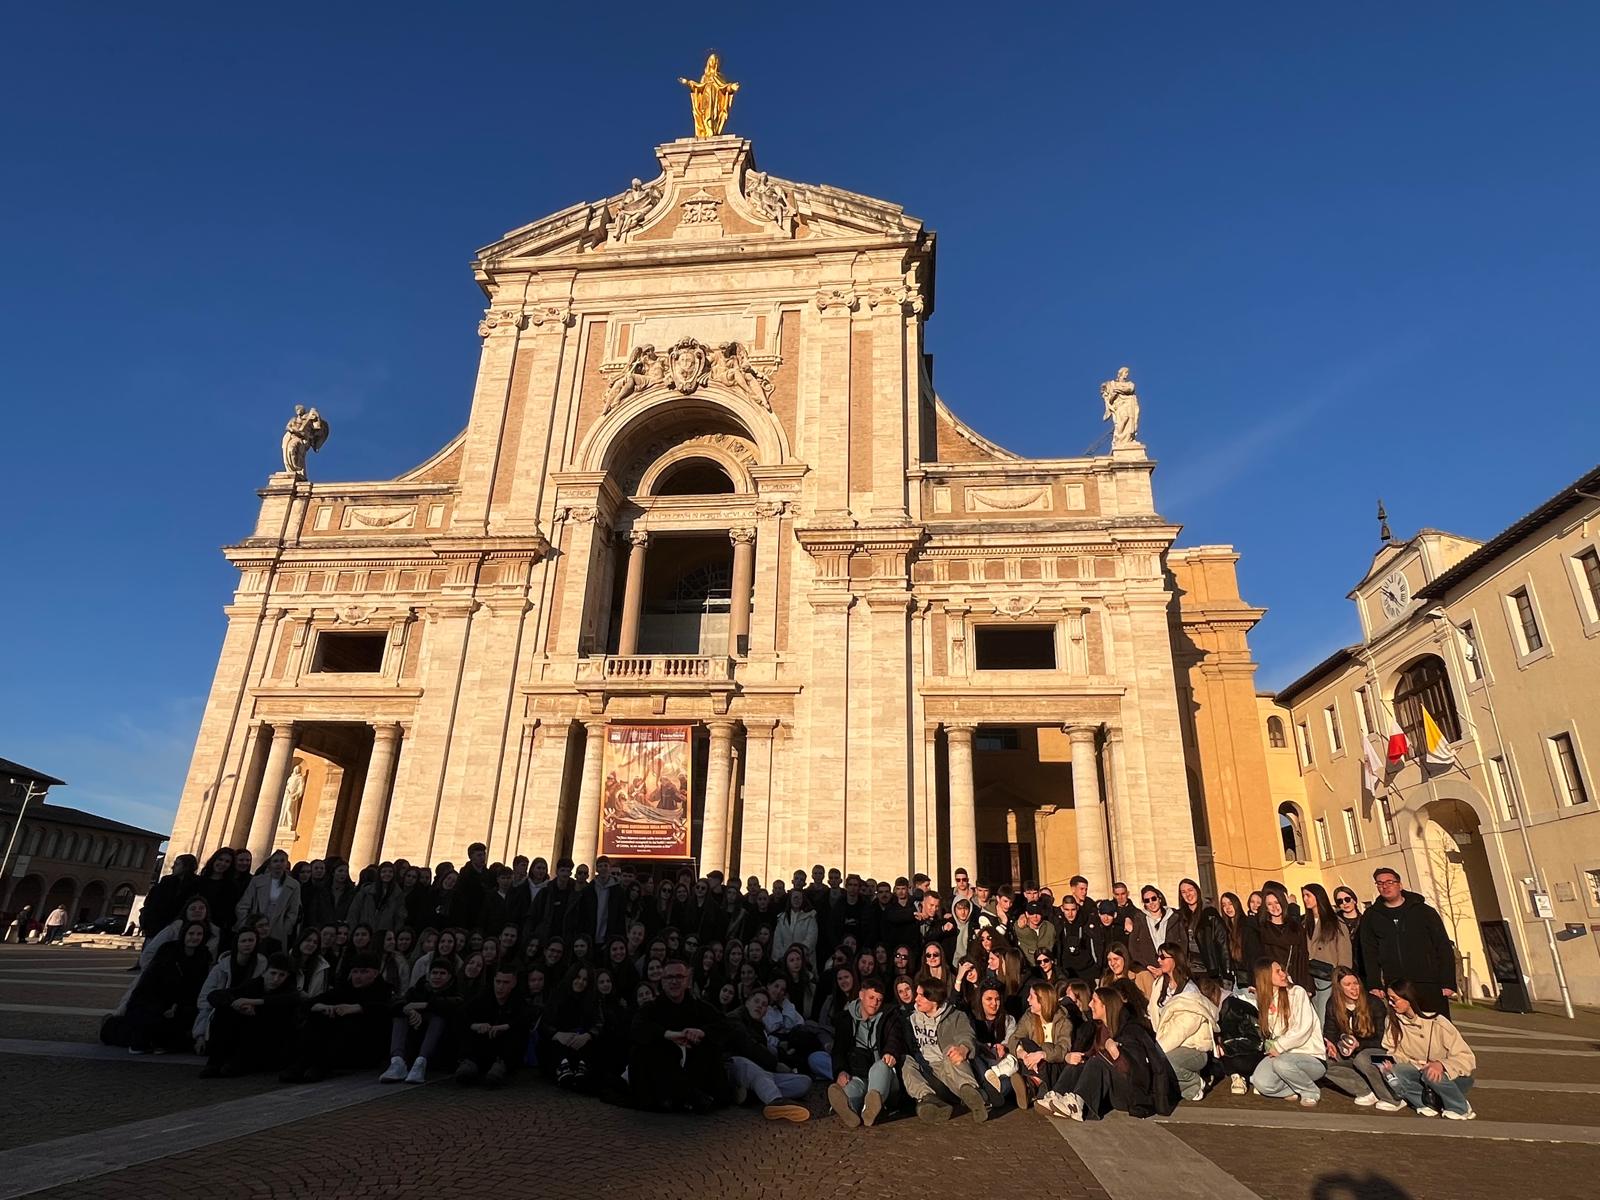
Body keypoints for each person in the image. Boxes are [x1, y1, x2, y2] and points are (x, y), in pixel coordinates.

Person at [1043, 985, 1178, 1121]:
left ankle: (1076, 1104)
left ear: (1106, 1006)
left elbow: (1136, 1070)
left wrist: (1114, 1052)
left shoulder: (1132, 1030)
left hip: (1133, 1093)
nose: (1090, 1005)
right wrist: (1074, 1057)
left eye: (1094, 1001)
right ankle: (1057, 1096)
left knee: (1096, 1061)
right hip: (1111, 1088)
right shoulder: (1101, 1029)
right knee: (1078, 1064)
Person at [629, 959, 729, 1112]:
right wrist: (668, 1035)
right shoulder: (652, 1007)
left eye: (679, 977)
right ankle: (685, 1096)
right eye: (669, 977)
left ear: (687, 981)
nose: (674, 981)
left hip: (692, 1065)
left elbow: (725, 1024)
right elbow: (637, 1027)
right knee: (643, 1050)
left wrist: (701, 1032)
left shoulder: (699, 1007)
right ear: (662, 982)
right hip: (661, 1071)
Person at [1359, 868, 1457, 1015]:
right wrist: (1374, 984)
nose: (1385, 886)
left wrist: (1448, 982)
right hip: (1396, 986)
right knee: (1404, 1026)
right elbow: (1369, 953)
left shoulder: (1424, 912)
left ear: (1400, 885)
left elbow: (1443, 946)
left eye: (1390, 882)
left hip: (1428, 982)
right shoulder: (1371, 916)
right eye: (1380, 883)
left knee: (1436, 1025)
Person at [287, 951, 395, 1081]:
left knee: (346, 1022)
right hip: (339, 1044)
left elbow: (387, 1010)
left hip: (365, 1046)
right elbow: (313, 1002)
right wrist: (319, 1006)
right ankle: (304, 1062)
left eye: (364, 972)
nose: (358, 976)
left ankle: (320, 1065)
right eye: (355, 972)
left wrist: (358, 1008)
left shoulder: (384, 990)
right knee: (318, 1017)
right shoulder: (346, 988)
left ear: (375, 973)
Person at [1382, 979, 1477, 1118]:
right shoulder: (1392, 1021)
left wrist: (1441, 1064)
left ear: (1408, 998)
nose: (1390, 1003)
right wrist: (1392, 1063)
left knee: (1430, 1072)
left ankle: (1460, 1107)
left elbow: (1466, 1057)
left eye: (1394, 999)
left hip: (1449, 1076)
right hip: (1417, 1071)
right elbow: (1394, 1050)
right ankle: (1424, 1103)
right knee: (1391, 1073)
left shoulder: (1438, 1022)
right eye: (1389, 999)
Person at [198, 952, 302, 1078]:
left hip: (272, 1043)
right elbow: (215, 995)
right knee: (224, 1011)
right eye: (273, 973)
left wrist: (252, 1002)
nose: (276, 979)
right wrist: (236, 1004)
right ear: (264, 972)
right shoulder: (254, 985)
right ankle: (215, 1062)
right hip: (248, 1036)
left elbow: (288, 1000)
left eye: (281, 975)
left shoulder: (289, 990)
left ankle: (240, 1063)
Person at [901, 976, 988, 1123]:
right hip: (926, 1074)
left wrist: (964, 1048)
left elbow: (966, 1034)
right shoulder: (909, 1018)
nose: (916, 999)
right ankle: (929, 1100)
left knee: (951, 1050)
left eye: (921, 996)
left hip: (949, 1072)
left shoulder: (956, 1016)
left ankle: (971, 1093)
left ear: (934, 1000)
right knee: (906, 1061)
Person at [826, 976, 905, 1128]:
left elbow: (895, 1039)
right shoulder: (846, 1019)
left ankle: (870, 1107)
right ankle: (851, 1109)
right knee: (852, 1089)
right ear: (861, 995)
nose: (875, 1003)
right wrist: (840, 1071)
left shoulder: (888, 1017)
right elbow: (839, 1050)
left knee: (881, 1067)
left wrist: (890, 1052)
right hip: (858, 1073)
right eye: (871, 997)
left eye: (879, 1000)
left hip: (884, 1076)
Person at [1322, 967, 1404, 1110]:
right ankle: (1365, 1091)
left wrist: (1359, 1045)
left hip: (1377, 1052)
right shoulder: (1333, 1004)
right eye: (1348, 985)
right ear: (1339, 988)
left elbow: (1383, 1040)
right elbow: (1330, 1031)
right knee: (1323, 1062)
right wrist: (1331, 1044)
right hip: (1350, 1052)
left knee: (1362, 1059)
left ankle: (1392, 1098)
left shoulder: (1374, 1003)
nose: (1353, 988)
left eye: (1355, 983)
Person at [125, 920, 213, 1054]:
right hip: (152, 1001)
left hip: (181, 1004)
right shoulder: (168, 950)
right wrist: (166, 1006)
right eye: (191, 933)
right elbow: (152, 983)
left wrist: (177, 1005)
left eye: (199, 934)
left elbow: (197, 986)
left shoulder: (204, 955)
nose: (195, 937)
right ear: (184, 934)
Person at [725, 991, 812, 1121]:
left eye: (764, 1004)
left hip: (761, 1071)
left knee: (803, 1082)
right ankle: (776, 1101)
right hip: (736, 1064)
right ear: (747, 1002)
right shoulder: (735, 1018)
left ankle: (750, 1095)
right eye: (756, 1001)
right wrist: (775, 1064)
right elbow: (748, 1046)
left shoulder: (759, 1026)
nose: (759, 1006)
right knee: (757, 1073)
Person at [1249, 959, 1326, 1106]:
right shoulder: (1266, 1000)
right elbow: (1274, 1032)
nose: (1283, 974)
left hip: (1309, 1056)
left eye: (1282, 970)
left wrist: (1279, 1046)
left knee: (1282, 1064)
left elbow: (1303, 1028)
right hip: (1283, 1055)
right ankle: (1292, 1088)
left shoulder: (1297, 993)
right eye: (1278, 972)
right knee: (1261, 1082)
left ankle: (1310, 1091)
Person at [383, 959, 463, 1084]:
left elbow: (452, 1004)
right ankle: (397, 1061)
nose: (437, 977)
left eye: (442, 973)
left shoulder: (455, 991)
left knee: (438, 1017)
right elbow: (397, 1003)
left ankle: (421, 1063)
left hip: (440, 1045)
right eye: (434, 973)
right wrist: (409, 1010)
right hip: (415, 1037)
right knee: (400, 1016)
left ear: (449, 977)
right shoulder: (417, 990)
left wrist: (423, 1005)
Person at [1152, 949, 1218, 1102]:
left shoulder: (1190, 991)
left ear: (1175, 959)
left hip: (1193, 1047)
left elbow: (1183, 1028)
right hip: (1166, 1042)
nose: (1159, 960)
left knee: (1166, 1061)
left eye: (1163, 957)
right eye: (1157, 956)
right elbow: (1154, 1013)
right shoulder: (1159, 985)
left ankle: (1195, 1084)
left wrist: (1157, 1050)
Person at [1006, 977, 1077, 1109]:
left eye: (1031, 997)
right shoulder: (1029, 1016)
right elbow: (1014, 1038)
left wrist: (1042, 1054)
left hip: (1054, 1065)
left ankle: (1032, 1085)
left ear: (1042, 1001)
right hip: (1030, 1063)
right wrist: (1022, 1054)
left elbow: (1063, 1049)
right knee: (1026, 1043)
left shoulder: (1063, 1021)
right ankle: (1033, 1086)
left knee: (1045, 1049)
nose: (1028, 1000)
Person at [193, 926, 266, 1052]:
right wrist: (200, 1035)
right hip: (225, 1009)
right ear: (237, 943)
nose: (247, 944)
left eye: (251, 940)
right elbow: (205, 1000)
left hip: (251, 1009)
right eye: (243, 941)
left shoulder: (263, 967)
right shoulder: (220, 968)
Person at [456, 968, 528, 1087]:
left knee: (516, 1032)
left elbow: (525, 1019)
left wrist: (505, 1026)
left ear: (514, 983)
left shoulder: (519, 1000)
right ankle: (469, 1062)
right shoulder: (484, 996)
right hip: (482, 1042)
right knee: (468, 1027)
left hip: (504, 1047)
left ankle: (502, 1065)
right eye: (498, 982)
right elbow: (462, 1014)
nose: (500, 987)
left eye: (505, 982)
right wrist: (476, 1025)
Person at [1301, 883, 1352, 1022]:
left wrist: (1342, 977)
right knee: (1313, 1016)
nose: (1305, 899)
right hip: (1310, 976)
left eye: (1308, 895)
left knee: (1325, 1016)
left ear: (1318, 896)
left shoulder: (1335, 922)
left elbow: (1344, 951)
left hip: (1329, 976)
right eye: (1304, 896)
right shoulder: (1305, 922)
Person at [234, 850, 302, 946]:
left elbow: (293, 911)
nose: (278, 864)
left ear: (286, 864)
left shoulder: (294, 885)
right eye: (275, 861)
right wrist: (246, 924)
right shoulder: (257, 881)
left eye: (282, 861)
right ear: (270, 864)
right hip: (254, 927)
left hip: (277, 930)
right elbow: (244, 904)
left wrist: (285, 928)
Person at [1255, 888, 1311, 990]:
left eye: (1277, 902)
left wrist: (1307, 986)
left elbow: (1303, 957)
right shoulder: (1262, 930)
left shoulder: (1296, 928)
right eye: (1269, 904)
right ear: (1266, 908)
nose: (1274, 907)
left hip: (1296, 981)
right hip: (1273, 984)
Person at [1127, 885, 1174, 974]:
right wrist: (1146, 965)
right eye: (1147, 901)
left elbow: (1180, 943)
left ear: (1159, 899)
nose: (1151, 902)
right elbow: (1133, 946)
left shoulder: (1173, 916)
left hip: (1172, 968)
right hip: (1150, 969)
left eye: (1153, 899)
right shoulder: (1140, 919)